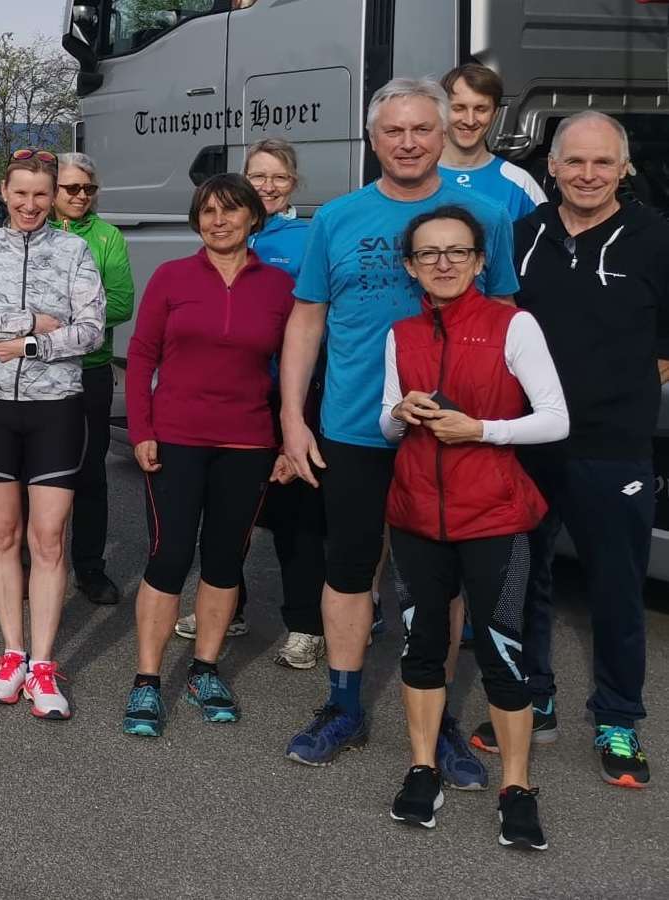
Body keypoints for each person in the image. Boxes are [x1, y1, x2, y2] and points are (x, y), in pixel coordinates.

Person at [278, 77, 519, 772]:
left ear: (443, 134)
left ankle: (435, 716)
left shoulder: (484, 215)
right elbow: (306, 319)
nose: (408, 142)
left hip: (448, 433)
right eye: (393, 130)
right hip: (354, 428)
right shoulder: (338, 218)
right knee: (350, 570)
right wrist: (294, 420)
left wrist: (493, 425)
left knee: (437, 584)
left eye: (421, 129)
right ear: (372, 138)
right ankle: (344, 705)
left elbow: (504, 320)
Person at [377, 205, 564, 846]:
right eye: (429, 254)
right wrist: (401, 411)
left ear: (481, 260)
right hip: (414, 513)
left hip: (493, 513)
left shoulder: (513, 324)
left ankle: (517, 785)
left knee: (500, 653)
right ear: (411, 266)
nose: (444, 263)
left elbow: (554, 417)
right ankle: (422, 766)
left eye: (457, 252)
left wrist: (482, 429)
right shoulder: (401, 332)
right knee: (422, 648)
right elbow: (385, 422)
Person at [489, 111, 665, 789]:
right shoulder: (523, 236)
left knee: (616, 587)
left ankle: (618, 715)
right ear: (551, 169)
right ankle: (537, 695)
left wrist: (616, 393)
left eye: (602, 163)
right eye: (574, 162)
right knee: (525, 580)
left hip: (613, 448)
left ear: (623, 169)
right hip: (531, 441)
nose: (587, 175)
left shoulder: (655, 239)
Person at [120, 174, 295, 737]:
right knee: (169, 555)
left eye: (231, 210)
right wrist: (141, 429)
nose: (219, 221)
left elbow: (295, 369)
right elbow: (143, 353)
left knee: (224, 559)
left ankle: (204, 669)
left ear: (253, 218)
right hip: (176, 436)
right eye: (208, 212)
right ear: (197, 220)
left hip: (247, 440)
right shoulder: (172, 278)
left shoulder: (279, 287)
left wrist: (292, 438)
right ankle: (148, 680)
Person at [0, 152, 104, 720]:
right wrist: (30, 319)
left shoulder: (74, 251)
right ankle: (11, 653)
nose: (30, 205)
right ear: (4, 190)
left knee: (47, 538)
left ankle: (43, 665)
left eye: (41, 195)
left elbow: (90, 330)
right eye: (20, 194)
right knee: (0, 532)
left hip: (56, 408)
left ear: (54, 195)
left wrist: (35, 345)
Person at [192, 138, 327, 669]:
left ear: (294, 183)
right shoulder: (229, 233)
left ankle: (304, 625)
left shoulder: (310, 236)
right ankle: (230, 607)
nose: (268, 186)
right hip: (235, 392)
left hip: (292, 392)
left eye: (278, 177)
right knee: (226, 506)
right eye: (258, 176)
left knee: (296, 514)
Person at [50, 150, 133, 607]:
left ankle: (90, 566)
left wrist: (53, 326)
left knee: (89, 472)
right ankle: (36, 557)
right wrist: (78, 318)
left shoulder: (106, 238)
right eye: (71, 188)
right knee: (36, 471)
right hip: (39, 372)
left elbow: (121, 304)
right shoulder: (35, 231)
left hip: (90, 369)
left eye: (88, 188)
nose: (81, 195)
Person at [440, 63, 547, 222]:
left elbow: (544, 243)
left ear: (495, 113)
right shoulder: (415, 175)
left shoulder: (520, 184)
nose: (470, 120)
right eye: (459, 108)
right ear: (442, 110)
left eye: (481, 109)